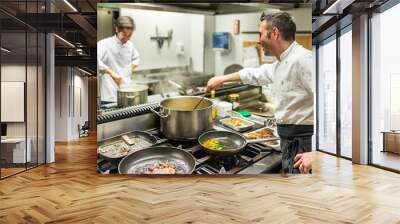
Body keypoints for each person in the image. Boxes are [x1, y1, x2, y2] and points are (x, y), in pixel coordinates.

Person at [206, 11, 313, 174]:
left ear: (275, 33)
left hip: (304, 145)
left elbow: (333, 103)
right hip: (289, 140)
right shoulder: (280, 63)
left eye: (260, 34)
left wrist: (316, 153)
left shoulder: (304, 60)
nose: (258, 40)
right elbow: (254, 75)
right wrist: (221, 79)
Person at [98, 16, 140, 104]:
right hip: (109, 95)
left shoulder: (130, 45)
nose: (127, 38)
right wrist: (112, 73)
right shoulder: (104, 44)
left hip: (126, 90)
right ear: (117, 29)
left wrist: (130, 69)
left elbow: (136, 58)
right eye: (124, 35)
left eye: (129, 35)